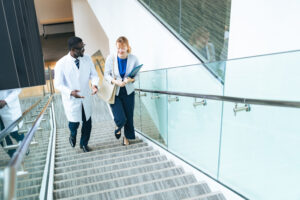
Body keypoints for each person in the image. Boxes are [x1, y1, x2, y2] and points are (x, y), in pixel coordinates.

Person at [54, 36, 99, 152]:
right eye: (81, 48)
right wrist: (70, 92)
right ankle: (72, 134)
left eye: (83, 47)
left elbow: (93, 74)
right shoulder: (61, 64)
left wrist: (94, 85)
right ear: (73, 50)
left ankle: (84, 144)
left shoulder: (87, 58)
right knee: (74, 124)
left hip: (85, 96)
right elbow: (57, 84)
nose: (83, 50)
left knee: (87, 122)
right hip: (72, 99)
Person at [104, 36, 140, 146]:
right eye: (118, 48)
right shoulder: (111, 58)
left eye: (122, 48)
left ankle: (126, 138)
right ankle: (118, 125)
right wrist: (116, 82)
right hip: (115, 92)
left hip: (128, 91)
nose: (120, 50)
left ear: (127, 47)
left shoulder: (134, 59)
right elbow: (106, 74)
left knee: (129, 116)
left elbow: (137, 74)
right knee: (120, 117)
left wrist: (130, 79)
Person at [0, 88, 24, 158]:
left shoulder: (10, 77)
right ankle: (13, 156)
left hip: (7, 106)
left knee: (15, 133)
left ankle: (25, 147)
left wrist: (6, 101)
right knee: (2, 137)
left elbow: (18, 89)